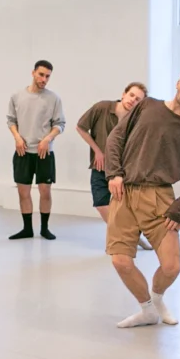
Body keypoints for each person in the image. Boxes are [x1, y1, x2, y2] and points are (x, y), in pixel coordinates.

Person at [105, 64, 180, 328]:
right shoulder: (147, 106)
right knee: (121, 262)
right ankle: (147, 310)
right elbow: (116, 137)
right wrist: (114, 173)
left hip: (160, 199)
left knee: (171, 267)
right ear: (178, 83)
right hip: (124, 191)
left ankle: (157, 298)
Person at [75, 82, 151, 249]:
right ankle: (127, 234)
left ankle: (128, 236)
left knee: (125, 206)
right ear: (124, 94)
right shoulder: (102, 108)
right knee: (101, 203)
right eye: (131, 95)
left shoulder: (136, 120)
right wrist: (97, 151)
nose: (133, 100)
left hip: (122, 170)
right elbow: (80, 127)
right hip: (100, 166)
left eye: (138, 99)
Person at [7, 60, 66, 240]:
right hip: (23, 152)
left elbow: (60, 124)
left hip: (44, 153)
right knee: (23, 192)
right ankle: (27, 229)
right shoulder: (17, 96)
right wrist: (17, 137)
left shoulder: (53, 98)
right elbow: (11, 121)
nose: (44, 79)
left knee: (45, 191)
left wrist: (47, 139)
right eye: (41, 75)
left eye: (47, 76)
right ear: (33, 73)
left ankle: (44, 228)